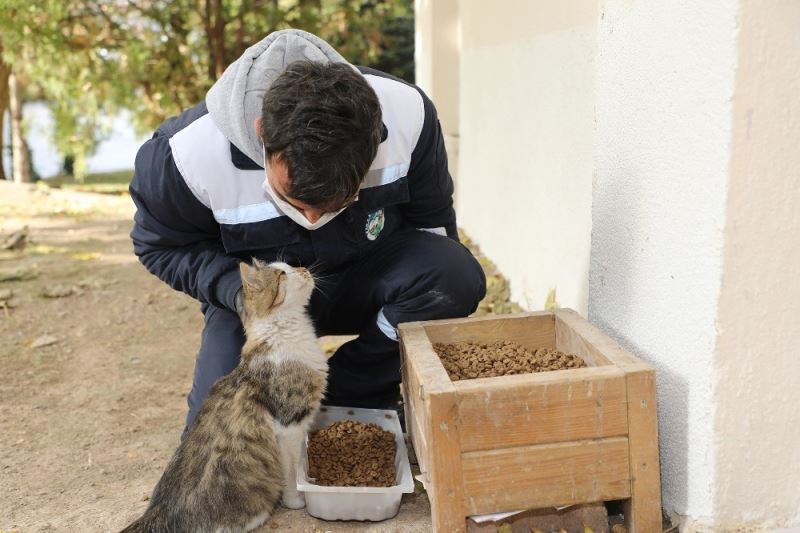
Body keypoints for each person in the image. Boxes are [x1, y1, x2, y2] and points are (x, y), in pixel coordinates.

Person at [129, 29, 486, 432]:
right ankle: (279, 417)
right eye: (295, 200)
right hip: (259, 303)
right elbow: (162, 248)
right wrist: (237, 291)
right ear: (263, 133)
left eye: (338, 202)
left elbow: (432, 228)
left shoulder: (409, 116)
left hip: (368, 278)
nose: (313, 219)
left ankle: (350, 396)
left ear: (374, 141)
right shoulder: (183, 156)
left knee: (453, 275)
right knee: (219, 431)